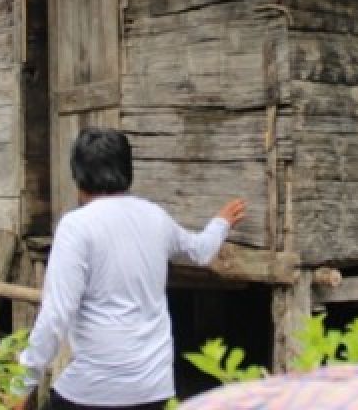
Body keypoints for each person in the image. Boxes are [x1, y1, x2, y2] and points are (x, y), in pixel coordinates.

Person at [14, 128, 247, 410]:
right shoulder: (154, 217)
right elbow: (200, 251)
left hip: (93, 391)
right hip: (153, 389)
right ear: (127, 171)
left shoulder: (76, 227)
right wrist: (220, 223)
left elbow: (55, 315)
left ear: (78, 176)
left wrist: (22, 385)